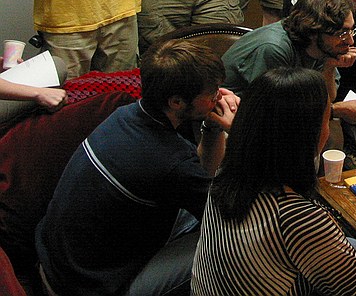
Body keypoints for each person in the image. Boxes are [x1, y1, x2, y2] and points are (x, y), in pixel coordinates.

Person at [36, 39, 238, 295]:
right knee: (230, 241)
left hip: (56, 261)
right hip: (86, 286)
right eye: (212, 94)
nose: (219, 96)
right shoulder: (171, 161)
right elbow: (231, 213)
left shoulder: (125, 114)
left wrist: (213, 124)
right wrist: (241, 134)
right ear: (176, 102)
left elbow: (199, 177)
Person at [191, 66, 356, 295]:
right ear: (308, 136)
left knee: (353, 248)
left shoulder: (229, 167)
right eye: (327, 120)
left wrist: (219, 126)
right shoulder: (297, 218)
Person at [221, 0, 356, 141]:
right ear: (313, 32)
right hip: (238, 117)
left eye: (351, 30)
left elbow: (327, 97)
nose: (350, 40)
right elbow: (274, 115)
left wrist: (330, 66)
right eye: (342, 33)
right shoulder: (274, 49)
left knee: (329, 135)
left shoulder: (322, 48)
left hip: (282, 110)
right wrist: (335, 111)